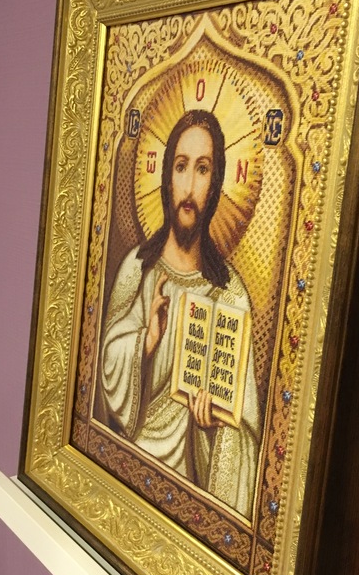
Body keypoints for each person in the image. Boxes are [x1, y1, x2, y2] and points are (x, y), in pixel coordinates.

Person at [98, 110, 261, 518]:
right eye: (181, 166)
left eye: (202, 169)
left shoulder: (230, 297)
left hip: (187, 495)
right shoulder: (137, 270)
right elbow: (102, 375)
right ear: (166, 177)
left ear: (216, 183)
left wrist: (213, 428)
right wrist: (145, 342)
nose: (189, 187)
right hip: (126, 477)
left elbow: (246, 434)